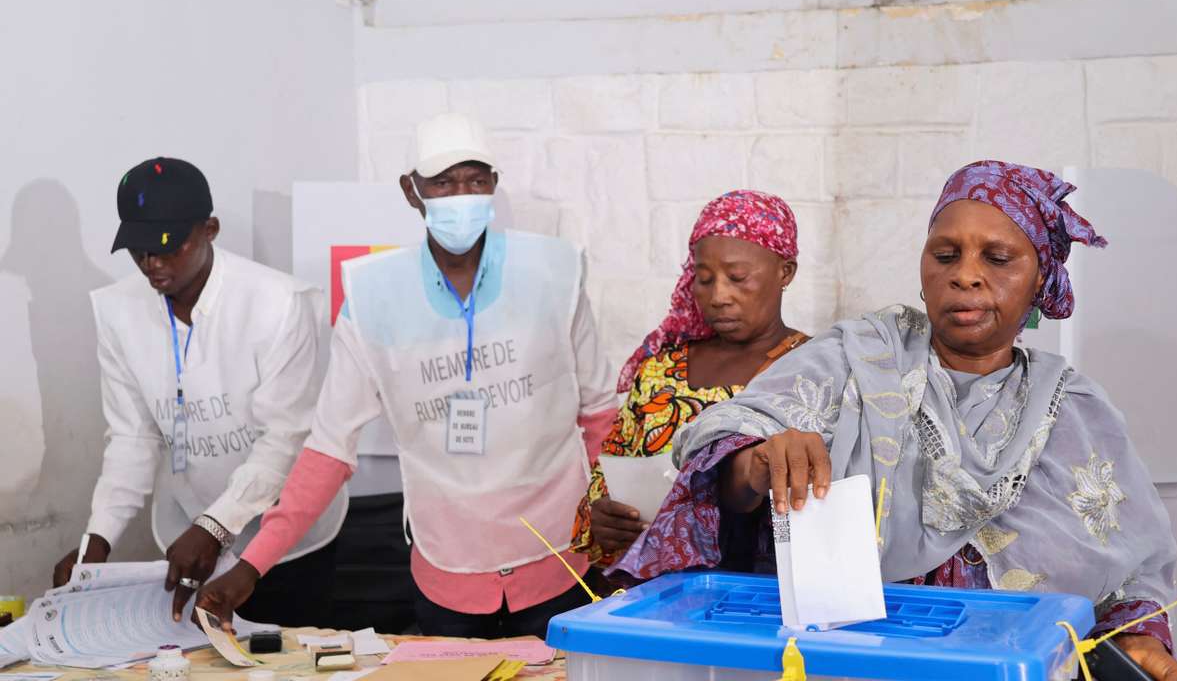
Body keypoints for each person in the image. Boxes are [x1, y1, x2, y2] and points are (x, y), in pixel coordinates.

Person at [613, 161, 1177, 681]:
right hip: (844, 666)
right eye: (945, 255)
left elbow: (1131, 572)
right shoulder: (850, 360)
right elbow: (723, 450)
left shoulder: (1073, 409)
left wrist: (1136, 639)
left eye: (997, 257)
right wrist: (757, 461)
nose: (964, 275)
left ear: (1040, 278)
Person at [195, 112, 616, 640]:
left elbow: (601, 415)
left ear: (493, 187)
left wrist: (613, 530)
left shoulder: (555, 271)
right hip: (447, 572)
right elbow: (328, 450)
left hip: (562, 561)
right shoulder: (374, 296)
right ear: (411, 191)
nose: (461, 195)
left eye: (475, 179)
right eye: (442, 182)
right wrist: (252, 565)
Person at [51, 157, 346, 626]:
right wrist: (97, 541)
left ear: (210, 229)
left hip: (285, 543)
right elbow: (133, 437)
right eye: (139, 250)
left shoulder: (279, 305)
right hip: (187, 536)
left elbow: (285, 440)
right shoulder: (118, 311)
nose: (152, 264)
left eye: (168, 247)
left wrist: (214, 526)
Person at [570, 190, 808, 568]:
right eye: (705, 278)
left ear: (785, 272)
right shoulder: (660, 370)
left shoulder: (812, 370)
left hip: (762, 598)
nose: (719, 296)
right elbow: (607, 475)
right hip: (654, 596)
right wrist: (603, 517)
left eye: (737, 277)